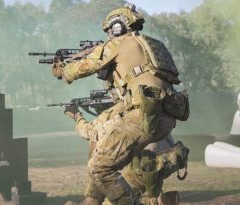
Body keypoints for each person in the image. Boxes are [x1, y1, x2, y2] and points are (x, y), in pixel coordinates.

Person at [51, 3, 189, 205]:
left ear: (117, 27)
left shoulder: (121, 43)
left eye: (110, 31)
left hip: (141, 115)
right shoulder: (153, 46)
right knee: (102, 155)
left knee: (100, 167)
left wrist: (63, 70)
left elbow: (82, 68)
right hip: (163, 117)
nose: (109, 36)